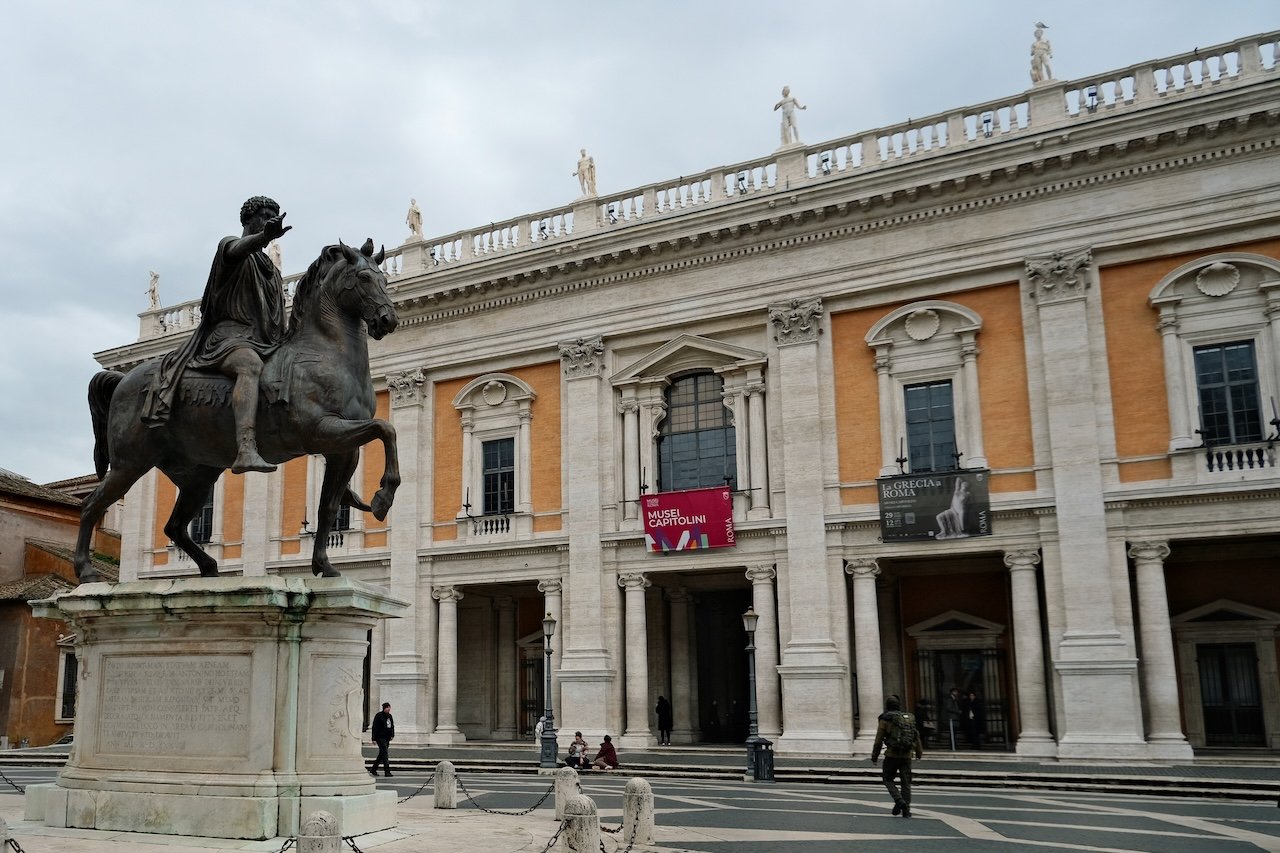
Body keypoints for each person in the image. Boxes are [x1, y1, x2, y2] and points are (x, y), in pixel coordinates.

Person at [141, 195, 291, 474]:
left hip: (262, 340)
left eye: (274, 215)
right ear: (248, 219)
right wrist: (261, 238)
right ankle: (246, 448)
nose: (269, 220)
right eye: (264, 214)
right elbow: (239, 250)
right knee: (250, 365)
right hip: (227, 337)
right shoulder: (230, 247)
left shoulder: (269, 269)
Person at [870, 695, 923, 818]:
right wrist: (919, 753)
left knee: (887, 779)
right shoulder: (907, 719)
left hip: (892, 755)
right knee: (906, 783)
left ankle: (899, 801)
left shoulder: (885, 719)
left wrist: (874, 756)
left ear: (887, 706)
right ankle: (906, 810)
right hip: (907, 755)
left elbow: (878, 741)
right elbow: (916, 736)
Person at [370, 702, 394, 777]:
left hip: (387, 738)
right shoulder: (379, 715)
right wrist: (373, 738)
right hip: (380, 737)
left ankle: (373, 769)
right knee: (385, 753)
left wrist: (392, 735)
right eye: (387, 708)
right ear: (384, 708)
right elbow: (375, 727)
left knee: (382, 754)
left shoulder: (390, 716)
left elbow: (392, 726)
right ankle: (387, 772)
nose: (389, 709)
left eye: (389, 708)